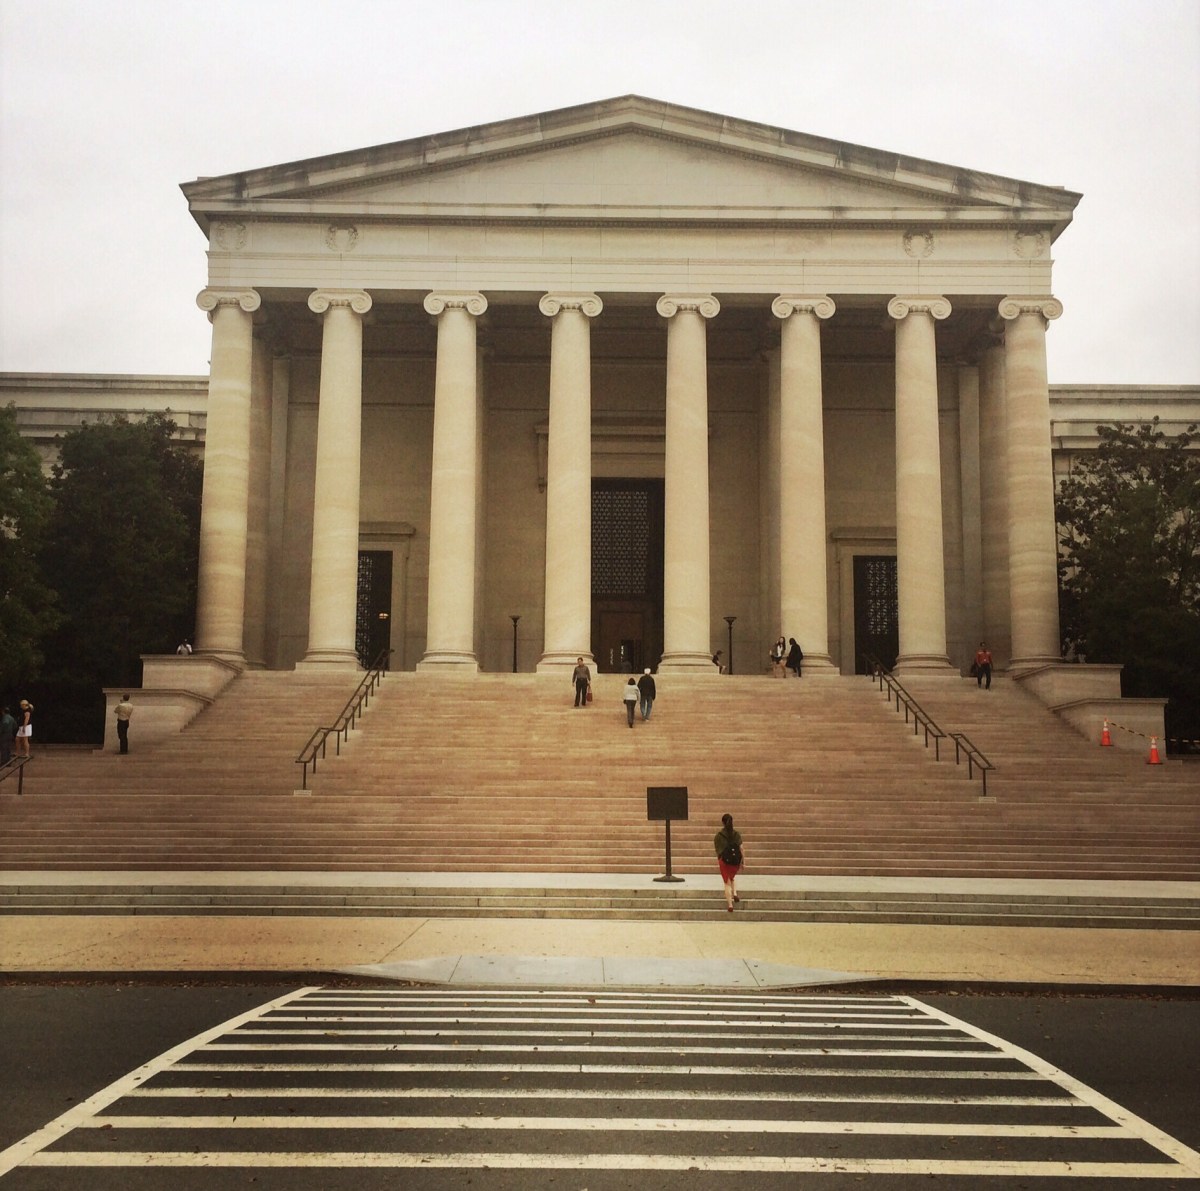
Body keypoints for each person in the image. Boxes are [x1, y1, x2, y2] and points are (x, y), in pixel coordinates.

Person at [713, 812, 745, 912]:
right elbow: (741, 848)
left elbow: (717, 849)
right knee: (732, 878)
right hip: (735, 861)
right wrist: (743, 861)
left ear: (722, 822)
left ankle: (730, 905)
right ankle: (734, 893)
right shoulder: (736, 834)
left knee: (727, 882)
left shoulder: (719, 835)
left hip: (724, 860)